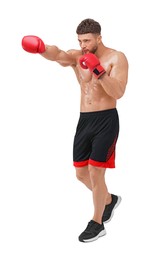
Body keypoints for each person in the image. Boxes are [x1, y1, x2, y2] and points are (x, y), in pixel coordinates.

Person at [21, 18, 128, 243]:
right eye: (80, 41)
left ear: (99, 37)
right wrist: (41, 48)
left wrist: (99, 71)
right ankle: (108, 199)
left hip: (106, 120)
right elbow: (58, 54)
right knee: (81, 173)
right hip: (84, 121)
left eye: (87, 40)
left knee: (96, 172)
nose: (83, 46)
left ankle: (97, 223)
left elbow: (118, 92)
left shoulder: (116, 57)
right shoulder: (78, 57)